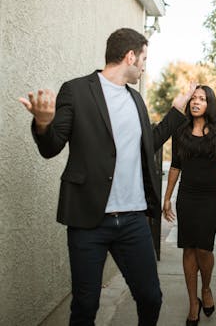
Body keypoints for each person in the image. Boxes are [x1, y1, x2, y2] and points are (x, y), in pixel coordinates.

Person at [18, 28, 194, 326]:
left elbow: (147, 143)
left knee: (151, 297)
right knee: (86, 305)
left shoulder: (136, 100)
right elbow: (52, 147)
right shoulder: (75, 90)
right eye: (144, 59)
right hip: (89, 220)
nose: (144, 65)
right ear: (130, 56)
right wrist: (43, 124)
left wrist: (176, 111)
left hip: (133, 220)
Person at [162, 85, 216, 326]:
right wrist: (167, 197)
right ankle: (193, 302)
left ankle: (206, 288)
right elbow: (175, 165)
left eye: (201, 99)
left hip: (210, 197)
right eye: (193, 98)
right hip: (187, 196)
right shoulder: (180, 130)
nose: (196, 102)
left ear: (209, 104)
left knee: (204, 248)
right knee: (188, 248)